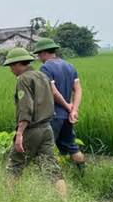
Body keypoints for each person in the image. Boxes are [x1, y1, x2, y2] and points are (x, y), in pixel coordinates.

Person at [3, 47, 68, 199]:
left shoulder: (23, 79)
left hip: (31, 130)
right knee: (51, 167)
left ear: (19, 64)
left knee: (15, 165)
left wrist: (20, 134)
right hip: (47, 129)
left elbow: (26, 108)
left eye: (12, 66)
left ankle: (8, 201)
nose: (11, 70)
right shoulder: (42, 75)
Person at [33, 38, 86, 169]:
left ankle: (52, 179)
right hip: (68, 117)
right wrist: (74, 110)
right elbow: (78, 89)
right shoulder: (70, 66)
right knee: (72, 146)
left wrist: (68, 106)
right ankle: (83, 173)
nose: (39, 57)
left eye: (39, 54)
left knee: (45, 148)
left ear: (44, 53)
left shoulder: (45, 68)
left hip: (54, 115)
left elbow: (53, 92)